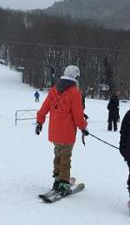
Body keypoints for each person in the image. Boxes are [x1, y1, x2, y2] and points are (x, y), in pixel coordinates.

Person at [35, 65, 89, 196]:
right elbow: (77, 115)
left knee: (58, 155)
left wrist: (39, 122)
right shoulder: (75, 93)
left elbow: (44, 108)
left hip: (54, 132)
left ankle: (57, 180)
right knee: (65, 158)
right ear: (76, 77)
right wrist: (83, 127)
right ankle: (64, 183)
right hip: (67, 133)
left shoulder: (53, 90)